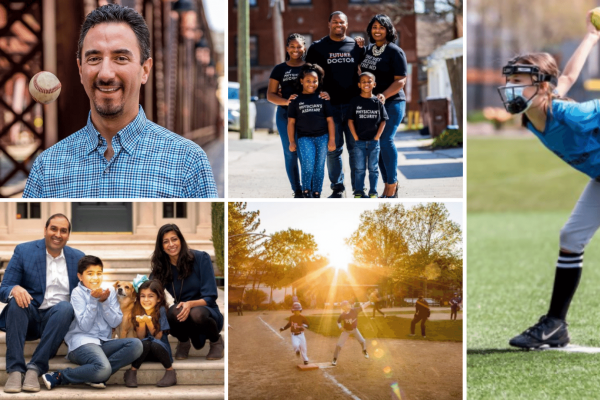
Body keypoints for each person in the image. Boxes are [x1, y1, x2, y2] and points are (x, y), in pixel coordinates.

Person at [23, 4, 217, 198]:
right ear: (81, 70)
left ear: (145, 70)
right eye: (94, 59)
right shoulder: (46, 166)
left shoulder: (189, 161)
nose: (106, 73)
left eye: (121, 58)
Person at [498, 11, 600, 349]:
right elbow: (569, 75)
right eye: (510, 79)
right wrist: (591, 37)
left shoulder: (572, 115)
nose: (511, 86)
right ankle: (555, 325)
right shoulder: (535, 113)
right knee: (571, 237)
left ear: (540, 85)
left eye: (519, 80)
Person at [0, 214, 84, 393]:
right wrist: (14, 289)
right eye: (53, 229)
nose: (58, 234)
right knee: (16, 302)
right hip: (27, 315)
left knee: (65, 307)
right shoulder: (24, 251)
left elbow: (85, 294)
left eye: (63, 231)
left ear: (68, 235)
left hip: (56, 321)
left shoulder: (77, 258)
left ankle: (35, 368)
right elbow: (4, 287)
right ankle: (15, 370)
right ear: (45, 230)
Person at [42, 256, 143, 390]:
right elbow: (85, 326)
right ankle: (60, 375)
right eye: (90, 274)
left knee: (136, 345)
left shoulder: (110, 292)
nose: (95, 278)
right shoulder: (77, 293)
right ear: (80, 276)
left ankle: (97, 375)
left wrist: (105, 302)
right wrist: (93, 301)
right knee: (103, 368)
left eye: (99, 274)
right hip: (82, 343)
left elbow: (115, 322)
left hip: (103, 342)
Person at [306, 11, 366, 198]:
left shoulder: (356, 46)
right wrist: (317, 94)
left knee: (356, 149)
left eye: (342, 22)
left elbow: (366, 74)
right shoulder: (317, 48)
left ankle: (358, 189)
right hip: (329, 107)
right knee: (333, 150)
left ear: (347, 25)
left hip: (353, 107)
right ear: (329, 23)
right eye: (335, 22)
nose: (338, 25)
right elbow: (308, 77)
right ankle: (337, 188)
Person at [150, 224, 224, 360]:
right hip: (182, 317)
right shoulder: (162, 267)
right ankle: (183, 342)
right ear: (161, 246)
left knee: (197, 313)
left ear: (181, 240)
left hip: (207, 312)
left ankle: (216, 342)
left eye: (174, 239)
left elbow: (211, 296)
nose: (171, 244)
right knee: (171, 312)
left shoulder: (201, 258)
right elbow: (149, 288)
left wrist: (190, 304)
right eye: (165, 242)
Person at [360, 14, 408, 198]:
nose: (377, 30)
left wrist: (383, 95)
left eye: (381, 27)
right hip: (373, 105)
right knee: (377, 145)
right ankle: (390, 185)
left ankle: (391, 185)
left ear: (389, 30)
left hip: (393, 102)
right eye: (374, 27)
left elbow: (401, 80)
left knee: (385, 139)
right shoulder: (369, 50)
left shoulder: (395, 51)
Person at [287, 63, 336, 198]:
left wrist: (332, 139)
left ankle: (317, 191)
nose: (311, 83)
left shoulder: (323, 98)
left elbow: (330, 120)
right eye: (308, 80)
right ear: (301, 81)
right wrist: (291, 141)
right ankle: (306, 190)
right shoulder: (295, 100)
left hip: (322, 137)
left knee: (319, 166)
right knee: (308, 165)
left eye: (314, 81)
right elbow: (291, 122)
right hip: (305, 138)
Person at [124, 277, 176, 388]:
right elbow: (141, 336)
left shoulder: (161, 310)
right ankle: (132, 372)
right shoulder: (138, 309)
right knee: (145, 343)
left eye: (150, 296)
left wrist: (149, 322)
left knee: (154, 343)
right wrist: (142, 324)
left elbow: (158, 337)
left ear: (158, 298)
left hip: (161, 351)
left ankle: (170, 371)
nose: (146, 300)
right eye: (143, 296)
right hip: (144, 353)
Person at [348, 72, 389, 198]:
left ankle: (373, 192)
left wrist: (377, 137)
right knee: (359, 169)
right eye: (364, 81)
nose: (366, 83)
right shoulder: (355, 101)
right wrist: (355, 137)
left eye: (369, 81)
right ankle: (359, 192)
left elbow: (383, 120)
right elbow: (350, 121)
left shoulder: (377, 102)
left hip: (374, 142)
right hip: (359, 142)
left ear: (374, 84)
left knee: (373, 169)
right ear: (359, 85)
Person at [332, 300, 369, 366]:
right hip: (346, 331)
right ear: (344, 307)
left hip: (355, 330)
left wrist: (369, 301)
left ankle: (364, 351)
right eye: (347, 305)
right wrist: (340, 327)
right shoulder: (343, 315)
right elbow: (338, 321)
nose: (349, 305)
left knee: (363, 341)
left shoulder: (354, 310)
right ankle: (335, 359)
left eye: (348, 304)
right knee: (338, 345)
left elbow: (363, 306)